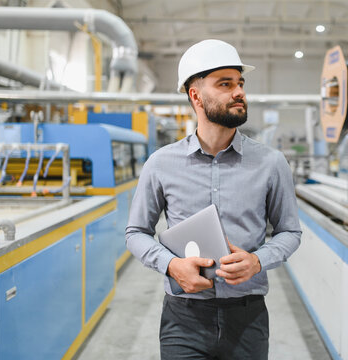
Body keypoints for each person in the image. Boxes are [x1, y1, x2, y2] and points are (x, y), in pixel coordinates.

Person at [126, 39, 301, 360]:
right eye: (225, 84)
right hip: (184, 317)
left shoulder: (271, 163)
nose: (239, 92)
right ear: (196, 96)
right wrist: (172, 265)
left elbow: (290, 232)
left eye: (240, 83)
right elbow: (135, 233)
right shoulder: (161, 163)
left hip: (247, 316)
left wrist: (258, 260)